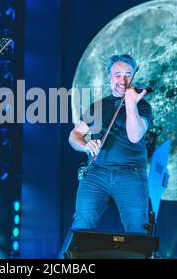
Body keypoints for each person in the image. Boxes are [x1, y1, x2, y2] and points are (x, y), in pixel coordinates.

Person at [69, 54, 153, 233]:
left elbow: (135, 135)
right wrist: (84, 145)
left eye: (128, 74)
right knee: (81, 225)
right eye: (117, 75)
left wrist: (131, 104)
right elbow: (74, 135)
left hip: (131, 173)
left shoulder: (143, 106)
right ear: (109, 77)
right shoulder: (98, 106)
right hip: (97, 173)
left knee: (138, 229)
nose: (122, 80)